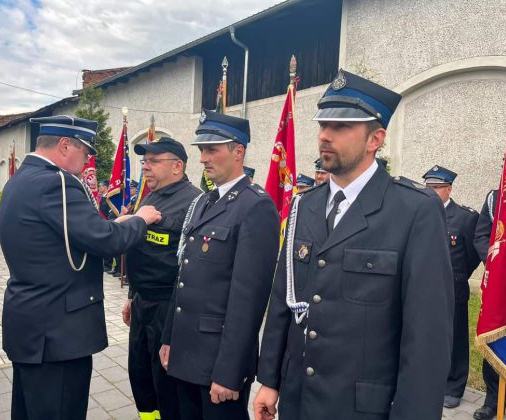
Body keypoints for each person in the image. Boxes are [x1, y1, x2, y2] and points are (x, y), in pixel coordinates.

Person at [253, 69, 454, 420]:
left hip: (363, 408)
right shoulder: (304, 205)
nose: (324, 136)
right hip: (299, 400)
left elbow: (427, 336)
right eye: (323, 125)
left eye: (341, 126)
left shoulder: (414, 211)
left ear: (375, 139)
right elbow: (284, 298)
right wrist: (269, 380)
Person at [0, 115, 161, 420]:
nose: (87, 160)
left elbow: (70, 236)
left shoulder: (23, 179)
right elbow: (107, 242)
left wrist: (115, 224)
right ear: (64, 145)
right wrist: (141, 220)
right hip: (57, 333)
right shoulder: (56, 183)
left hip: (32, 326)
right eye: (85, 151)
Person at [159, 109, 280, 420]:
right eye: (202, 150)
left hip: (218, 363)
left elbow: (248, 300)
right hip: (186, 351)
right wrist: (169, 337)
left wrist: (230, 371)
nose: (203, 158)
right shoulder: (203, 201)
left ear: (238, 152)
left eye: (212, 150)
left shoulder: (255, 206)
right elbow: (184, 275)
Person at [123, 137, 201, 420]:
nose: (146, 167)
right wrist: (131, 296)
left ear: (177, 166)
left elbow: (193, 268)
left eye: (154, 161)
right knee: (140, 375)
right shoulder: (149, 197)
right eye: (145, 161)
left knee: (166, 383)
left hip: (169, 306)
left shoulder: (195, 202)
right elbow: (140, 250)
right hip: (143, 303)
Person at [423, 165, 480, 409]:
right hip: (422, 287)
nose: (432, 191)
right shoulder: (420, 213)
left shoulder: (465, 218)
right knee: (424, 334)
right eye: (429, 187)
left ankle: (454, 386)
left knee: (455, 338)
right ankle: (427, 380)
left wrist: (456, 275)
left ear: (449, 189)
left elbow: (472, 255)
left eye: (437, 187)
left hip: (452, 288)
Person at [472, 189, 506, 420]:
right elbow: (481, 236)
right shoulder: (498, 196)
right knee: (496, 339)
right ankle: (494, 402)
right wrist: (498, 265)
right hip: (502, 286)